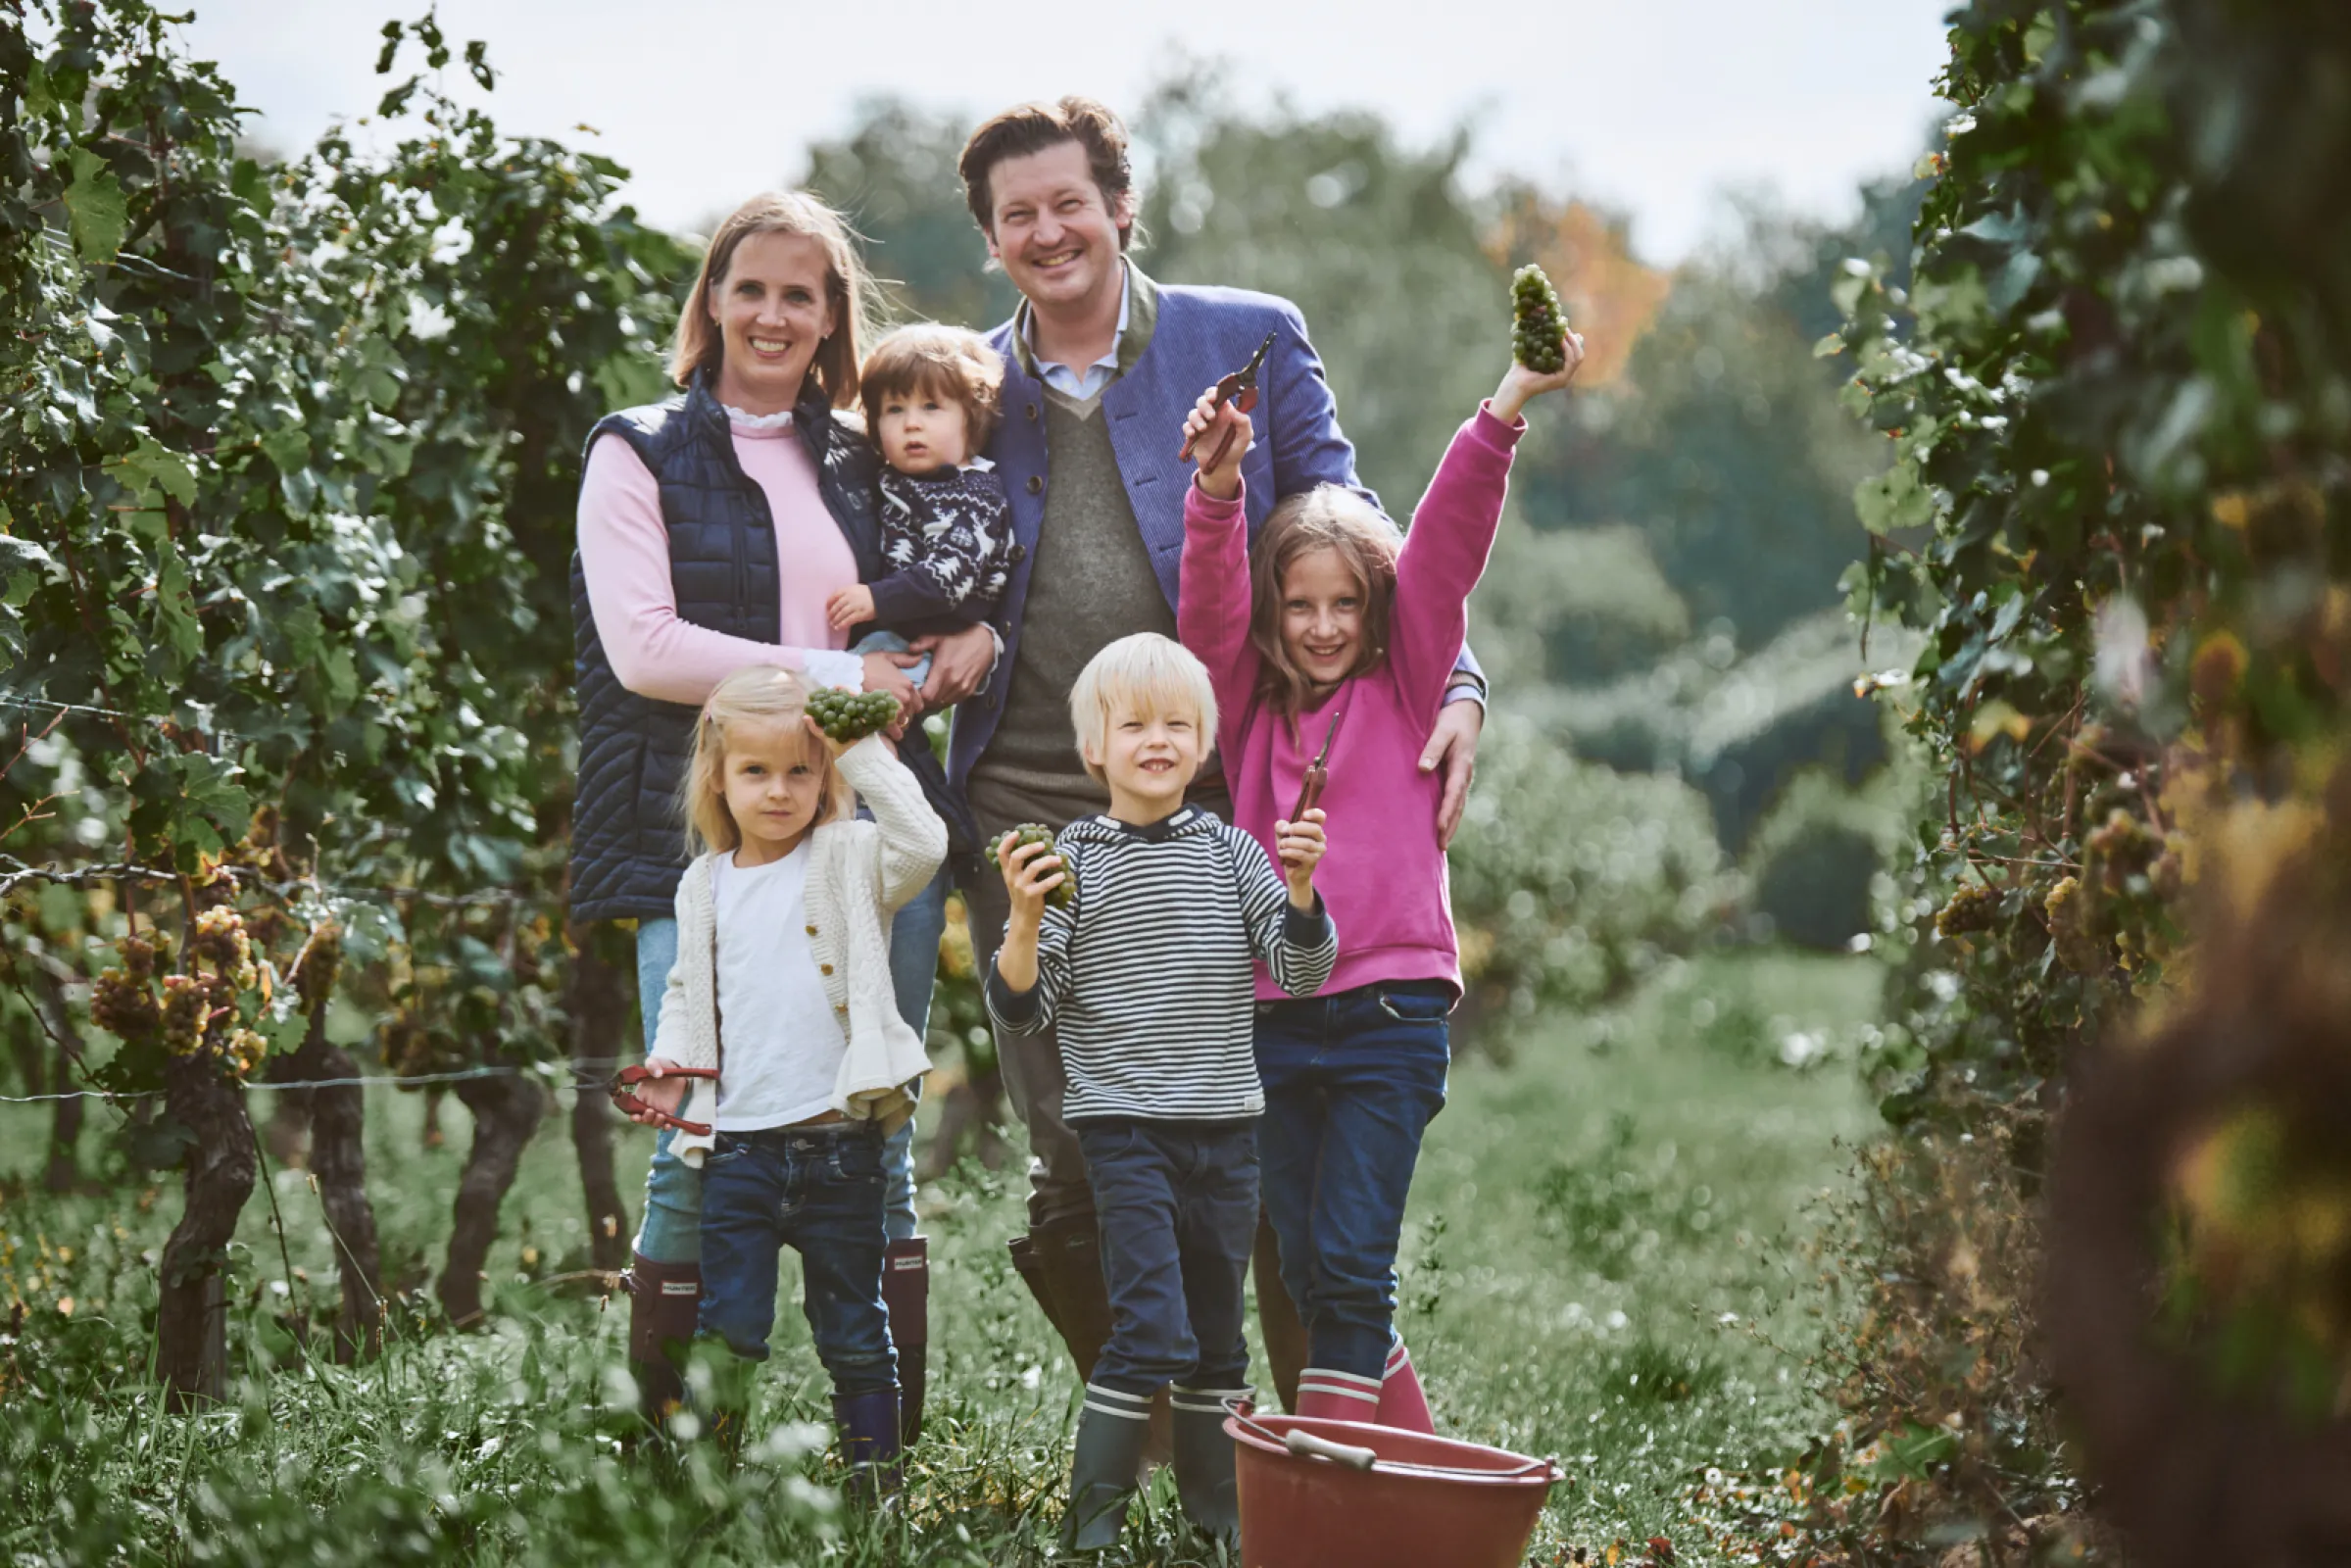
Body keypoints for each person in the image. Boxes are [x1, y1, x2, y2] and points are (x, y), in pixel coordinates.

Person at [914, 94, 1492, 1416]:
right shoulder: (970, 390)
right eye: (1017, 215)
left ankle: (1315, 1445)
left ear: (1119, 204)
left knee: (1253, 1121)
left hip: (1220, 802)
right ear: (992, 240)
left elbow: (1359, 537)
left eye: (1069, 201)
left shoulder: (1248, 341)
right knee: (1077, 1145)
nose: (1047, 231)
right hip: (1033, 809)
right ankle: (1177, 1445)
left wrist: (1450, 676)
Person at [568, 190, 973, 1441]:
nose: (774, 313)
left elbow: (953, 573)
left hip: (863, 838)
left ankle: (882, 1458)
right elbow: (644, 650)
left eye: (803, 293)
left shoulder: (861, 454)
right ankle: (675, 1456)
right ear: (712, 300)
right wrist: (854, 677)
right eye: (751, 286)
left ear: (831, 316)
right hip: (696, 840)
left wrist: (975, 630)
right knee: (700, 1135)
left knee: (879, 1139)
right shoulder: (636, 449)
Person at [1175, 321, 1588, 1431]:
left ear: (1375, 609)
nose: (1319, 626)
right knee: (1309, 1268)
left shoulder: (1408, 687)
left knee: (1349, 1267)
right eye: (1299, 605)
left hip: (1386, 1017)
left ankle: (1335, 1496)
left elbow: (1446, 544)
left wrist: (1505, 402)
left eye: (1343, 604)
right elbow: (1207, 609)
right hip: (1271, 1014)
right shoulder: (1245, 710)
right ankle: (1413, 1478)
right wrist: (1216, 491)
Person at [984, 633, 1334, 1550]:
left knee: (1218, 1340)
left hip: (1225, 1133)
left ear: (1205, 744)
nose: (1157, 739)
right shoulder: (1071, 865)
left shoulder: (1234, 855)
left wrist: (1301, 891)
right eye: (1132, 723)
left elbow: (1300, 974)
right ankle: (1092, 1525)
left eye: (1178, 723)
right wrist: (1021, 923)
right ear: (1092, 747)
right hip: (1125, 1129)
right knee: (1149, 1330)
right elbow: (1027, 1011)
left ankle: (1212, 1525)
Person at [626, 665, 945, 1489]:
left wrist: (861, 749)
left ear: (826, 775)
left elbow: (926, 843)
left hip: (839, 1148)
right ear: (718, 778)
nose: (778, 791)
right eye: (755, 772)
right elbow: (684, 995)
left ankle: (877, 1490)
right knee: (730, 1327)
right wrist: (671, 1060)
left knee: (852, 1330)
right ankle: (708, 1487)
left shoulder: (851, 858)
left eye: (801, 770)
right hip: (738, 1151)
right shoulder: (703, 886)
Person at [824, 324, 1015, 692]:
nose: (912, 423)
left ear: (970, 416)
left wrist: (876, 599)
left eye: (931, 407)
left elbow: (949, 576)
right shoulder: (892, 477)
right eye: (894, 409)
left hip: (932, 644)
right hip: (890, 633)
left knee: (854, 702)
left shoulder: (973, 495)